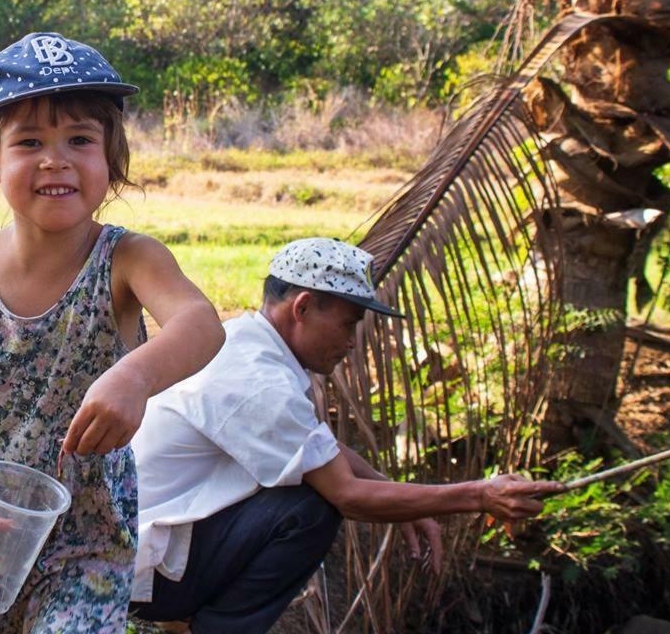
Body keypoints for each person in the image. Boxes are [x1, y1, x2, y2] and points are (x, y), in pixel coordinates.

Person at [0, 32, 225, 634]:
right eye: (30, 141)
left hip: (86, 545)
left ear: (112, 161)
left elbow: (202, 324)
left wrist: (134, 375)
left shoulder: (128, 260)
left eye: (80, 140)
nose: (54, 159)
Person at [130, 237, 564, 634]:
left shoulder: (245, 343)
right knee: (311, 508)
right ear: (301, 308)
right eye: (347, 324)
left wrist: (396, 492)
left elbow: (319, 448)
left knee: (307, 484)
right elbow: (349, 496)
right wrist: (480, 496)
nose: (353, 342)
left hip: (145, 549)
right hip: (140, 571)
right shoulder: (260, 384)